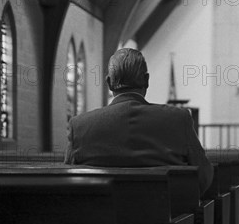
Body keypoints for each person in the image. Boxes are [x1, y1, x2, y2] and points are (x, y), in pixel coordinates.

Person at [64, 48, 213, 193]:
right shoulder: (178, 119)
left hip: (100, 217)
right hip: (165, 216)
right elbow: (203, 178)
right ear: (147, 80)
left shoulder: (80, 126)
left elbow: (68, 181)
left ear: (109, 82)